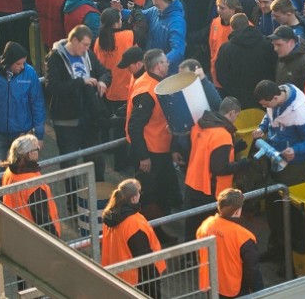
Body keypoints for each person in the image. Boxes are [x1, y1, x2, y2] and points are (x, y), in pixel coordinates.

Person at [46, 25, 110, 183]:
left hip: (89, 118)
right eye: (85, 44)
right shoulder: (55, 58)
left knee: (97, 161)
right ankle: (72, 204)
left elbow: (105, 71)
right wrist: (81, 82)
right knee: (69, 166)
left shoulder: (88, 54)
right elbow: (52, 87)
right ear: (74, 40)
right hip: (67, 121)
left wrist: (103, 82)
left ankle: (99, 201)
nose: (87, 48)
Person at [125, 49, 182, 226]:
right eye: (165, 61)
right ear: (158, 66)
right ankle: (156, 227)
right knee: (152, 193)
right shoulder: (148, 90)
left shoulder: (149, 82)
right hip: (151, 151)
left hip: (158, 147)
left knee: (163, 189)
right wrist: (143, 156)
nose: (168, 63)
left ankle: (162, 222)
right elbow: (135, 126)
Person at [0, 41, 46, 174]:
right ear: (8, 62)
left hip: (22, 134)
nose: (22, 67)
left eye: (23, 63)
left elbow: (37, 104)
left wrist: (39, 135)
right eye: (18, 64)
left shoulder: (29, 73)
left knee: (23, 172)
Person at [195, 188, 264, 297]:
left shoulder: (206, 225)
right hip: (233, 288)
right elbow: (252, 271)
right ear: (238, 211)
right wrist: (260, 292)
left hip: (210, 284)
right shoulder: (245, 237)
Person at [101, 178, 165, 294]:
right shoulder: (133, 223)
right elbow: (143, 256)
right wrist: (153, 277)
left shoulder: (110, 217)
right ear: (134, 198)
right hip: (138, 281)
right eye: (139, 192)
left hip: (117, 276)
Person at [0, 134, 60, 237]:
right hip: (35, 237)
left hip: (16, 231)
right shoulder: (34, 184)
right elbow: (43, 220)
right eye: (36, 149)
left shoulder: (9, 173)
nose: (38, 151)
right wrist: (55, 239)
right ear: (28, 154)